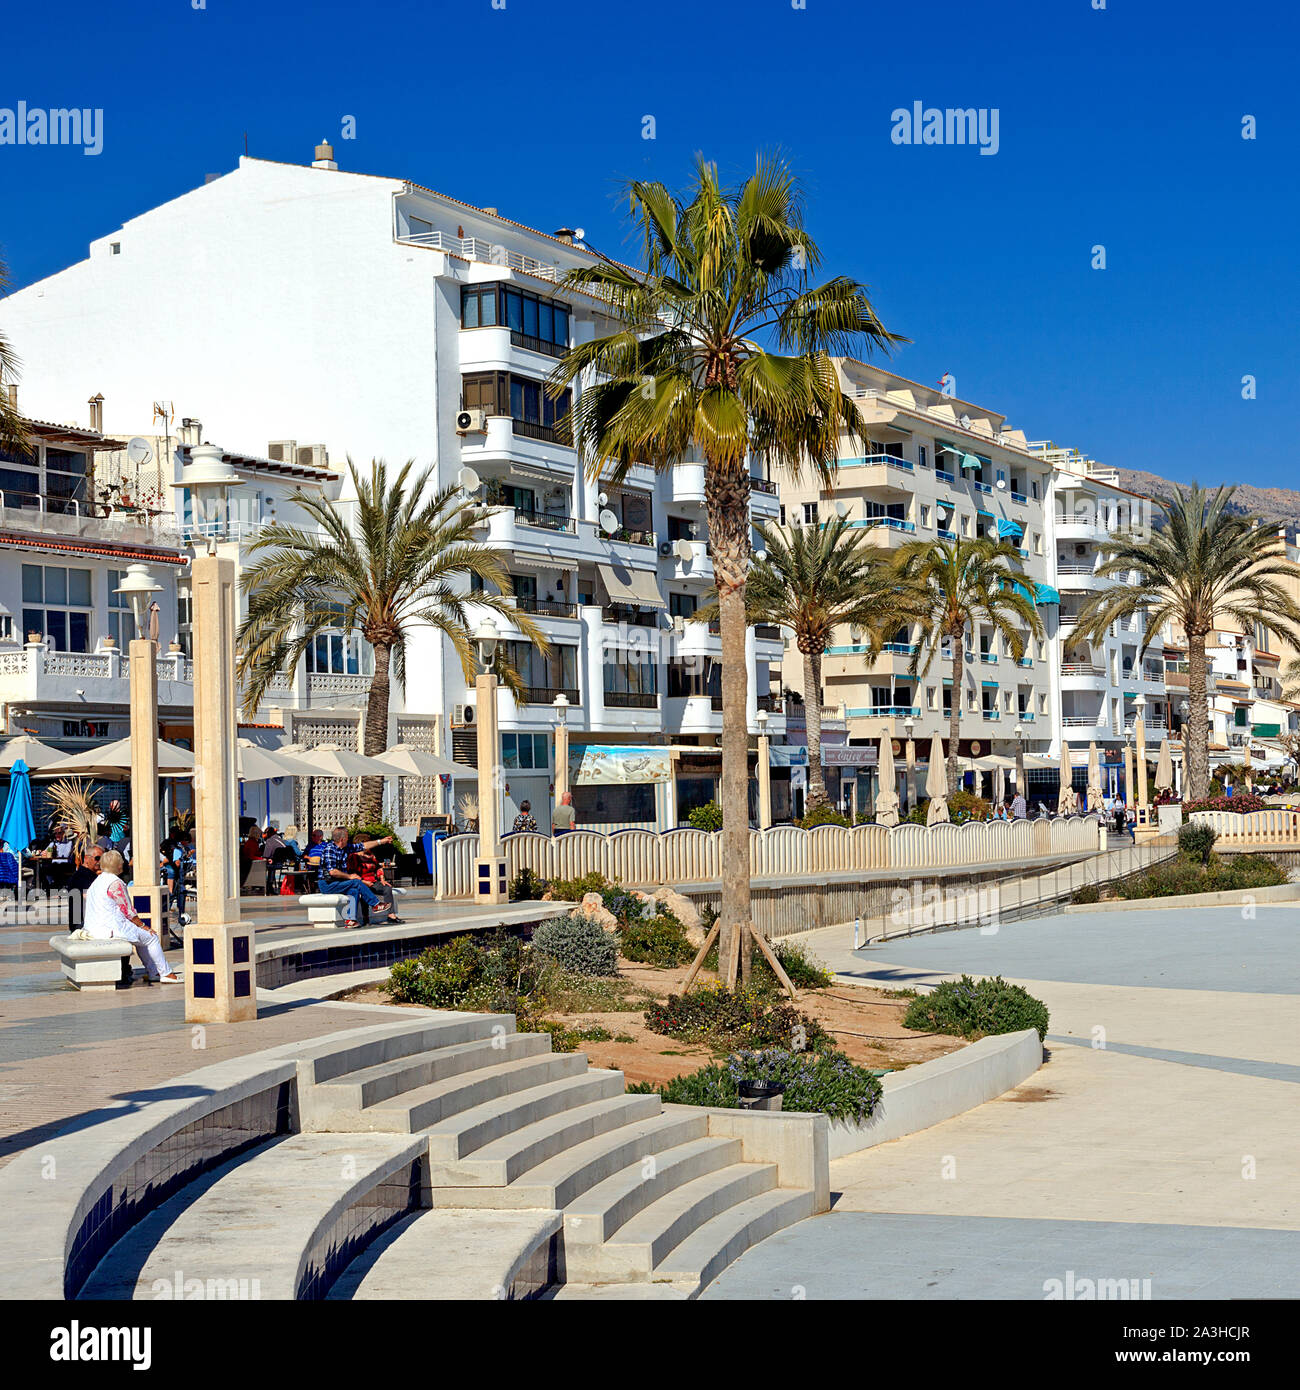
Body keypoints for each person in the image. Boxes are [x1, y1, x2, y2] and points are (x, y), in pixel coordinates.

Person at [84, 849, 181, 984]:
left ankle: (154, 972)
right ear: (118, 865)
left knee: (142, 937)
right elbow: (128, 911)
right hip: (109, 929)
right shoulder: (115, 882)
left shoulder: (97, 881)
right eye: (121, 863)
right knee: (151, 937)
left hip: (94, 928)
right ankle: (166, 973)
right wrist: (143, 925)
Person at [313, 827, 402, 928]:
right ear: (342, 839)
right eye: (347, 837)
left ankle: (350, 920)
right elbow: (333, 872)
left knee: (354, 891)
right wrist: (349, 876)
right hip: (327, 884)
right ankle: (375, 904)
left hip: (338, 882)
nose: (349, 839)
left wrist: (381, 841)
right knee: (356, 882)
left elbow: (363, 846)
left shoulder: (345, 848)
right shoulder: (330, 850)